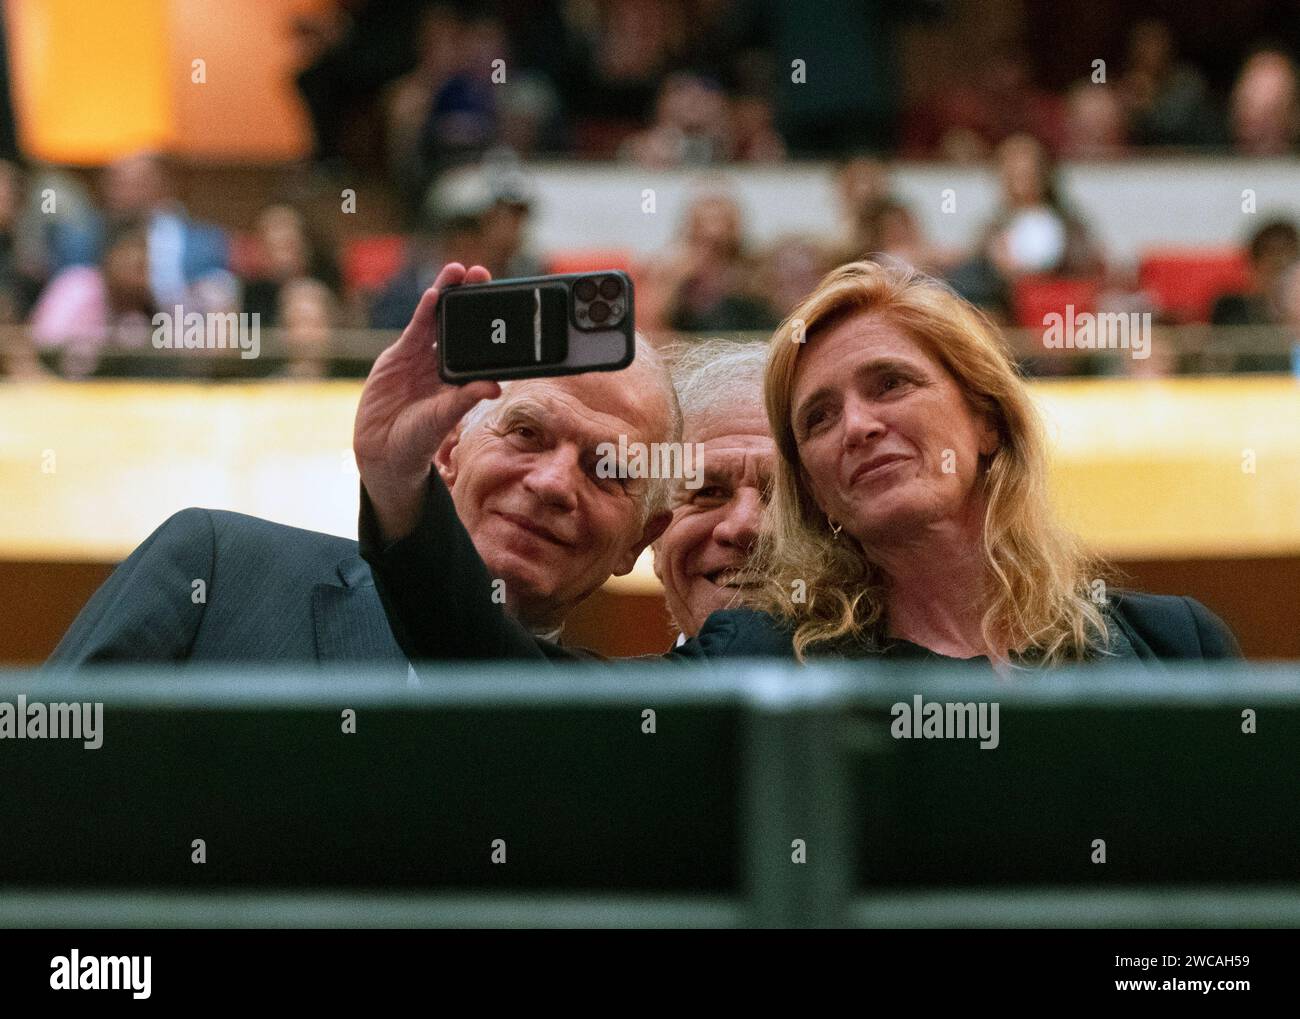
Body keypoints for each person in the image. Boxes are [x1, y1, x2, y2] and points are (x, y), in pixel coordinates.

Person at [358, 261, 1241, 669]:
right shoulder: (763, 659)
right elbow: (508, 685)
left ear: (986, 419)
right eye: (818, 416)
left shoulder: (1175, 644)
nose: (856, 425)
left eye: (889, 384)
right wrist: (398, 482)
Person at [653, 340, 774, 640]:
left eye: (784, 497)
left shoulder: (904, 685)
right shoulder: (578, 687)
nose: (744, 526)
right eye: (708, 492)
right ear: (651, 536)